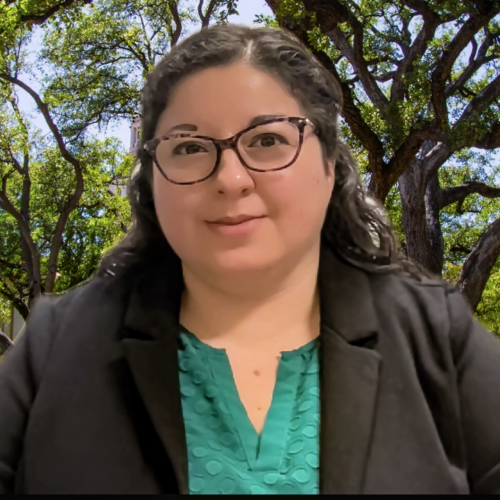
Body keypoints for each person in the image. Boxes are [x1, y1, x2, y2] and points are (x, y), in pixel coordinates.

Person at [0, 23, 499, 495]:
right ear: (153, 183)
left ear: (329, 166)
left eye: (267, 140)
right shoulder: (55, 345)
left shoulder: (435, 334)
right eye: (190, 146)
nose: (231, 179)